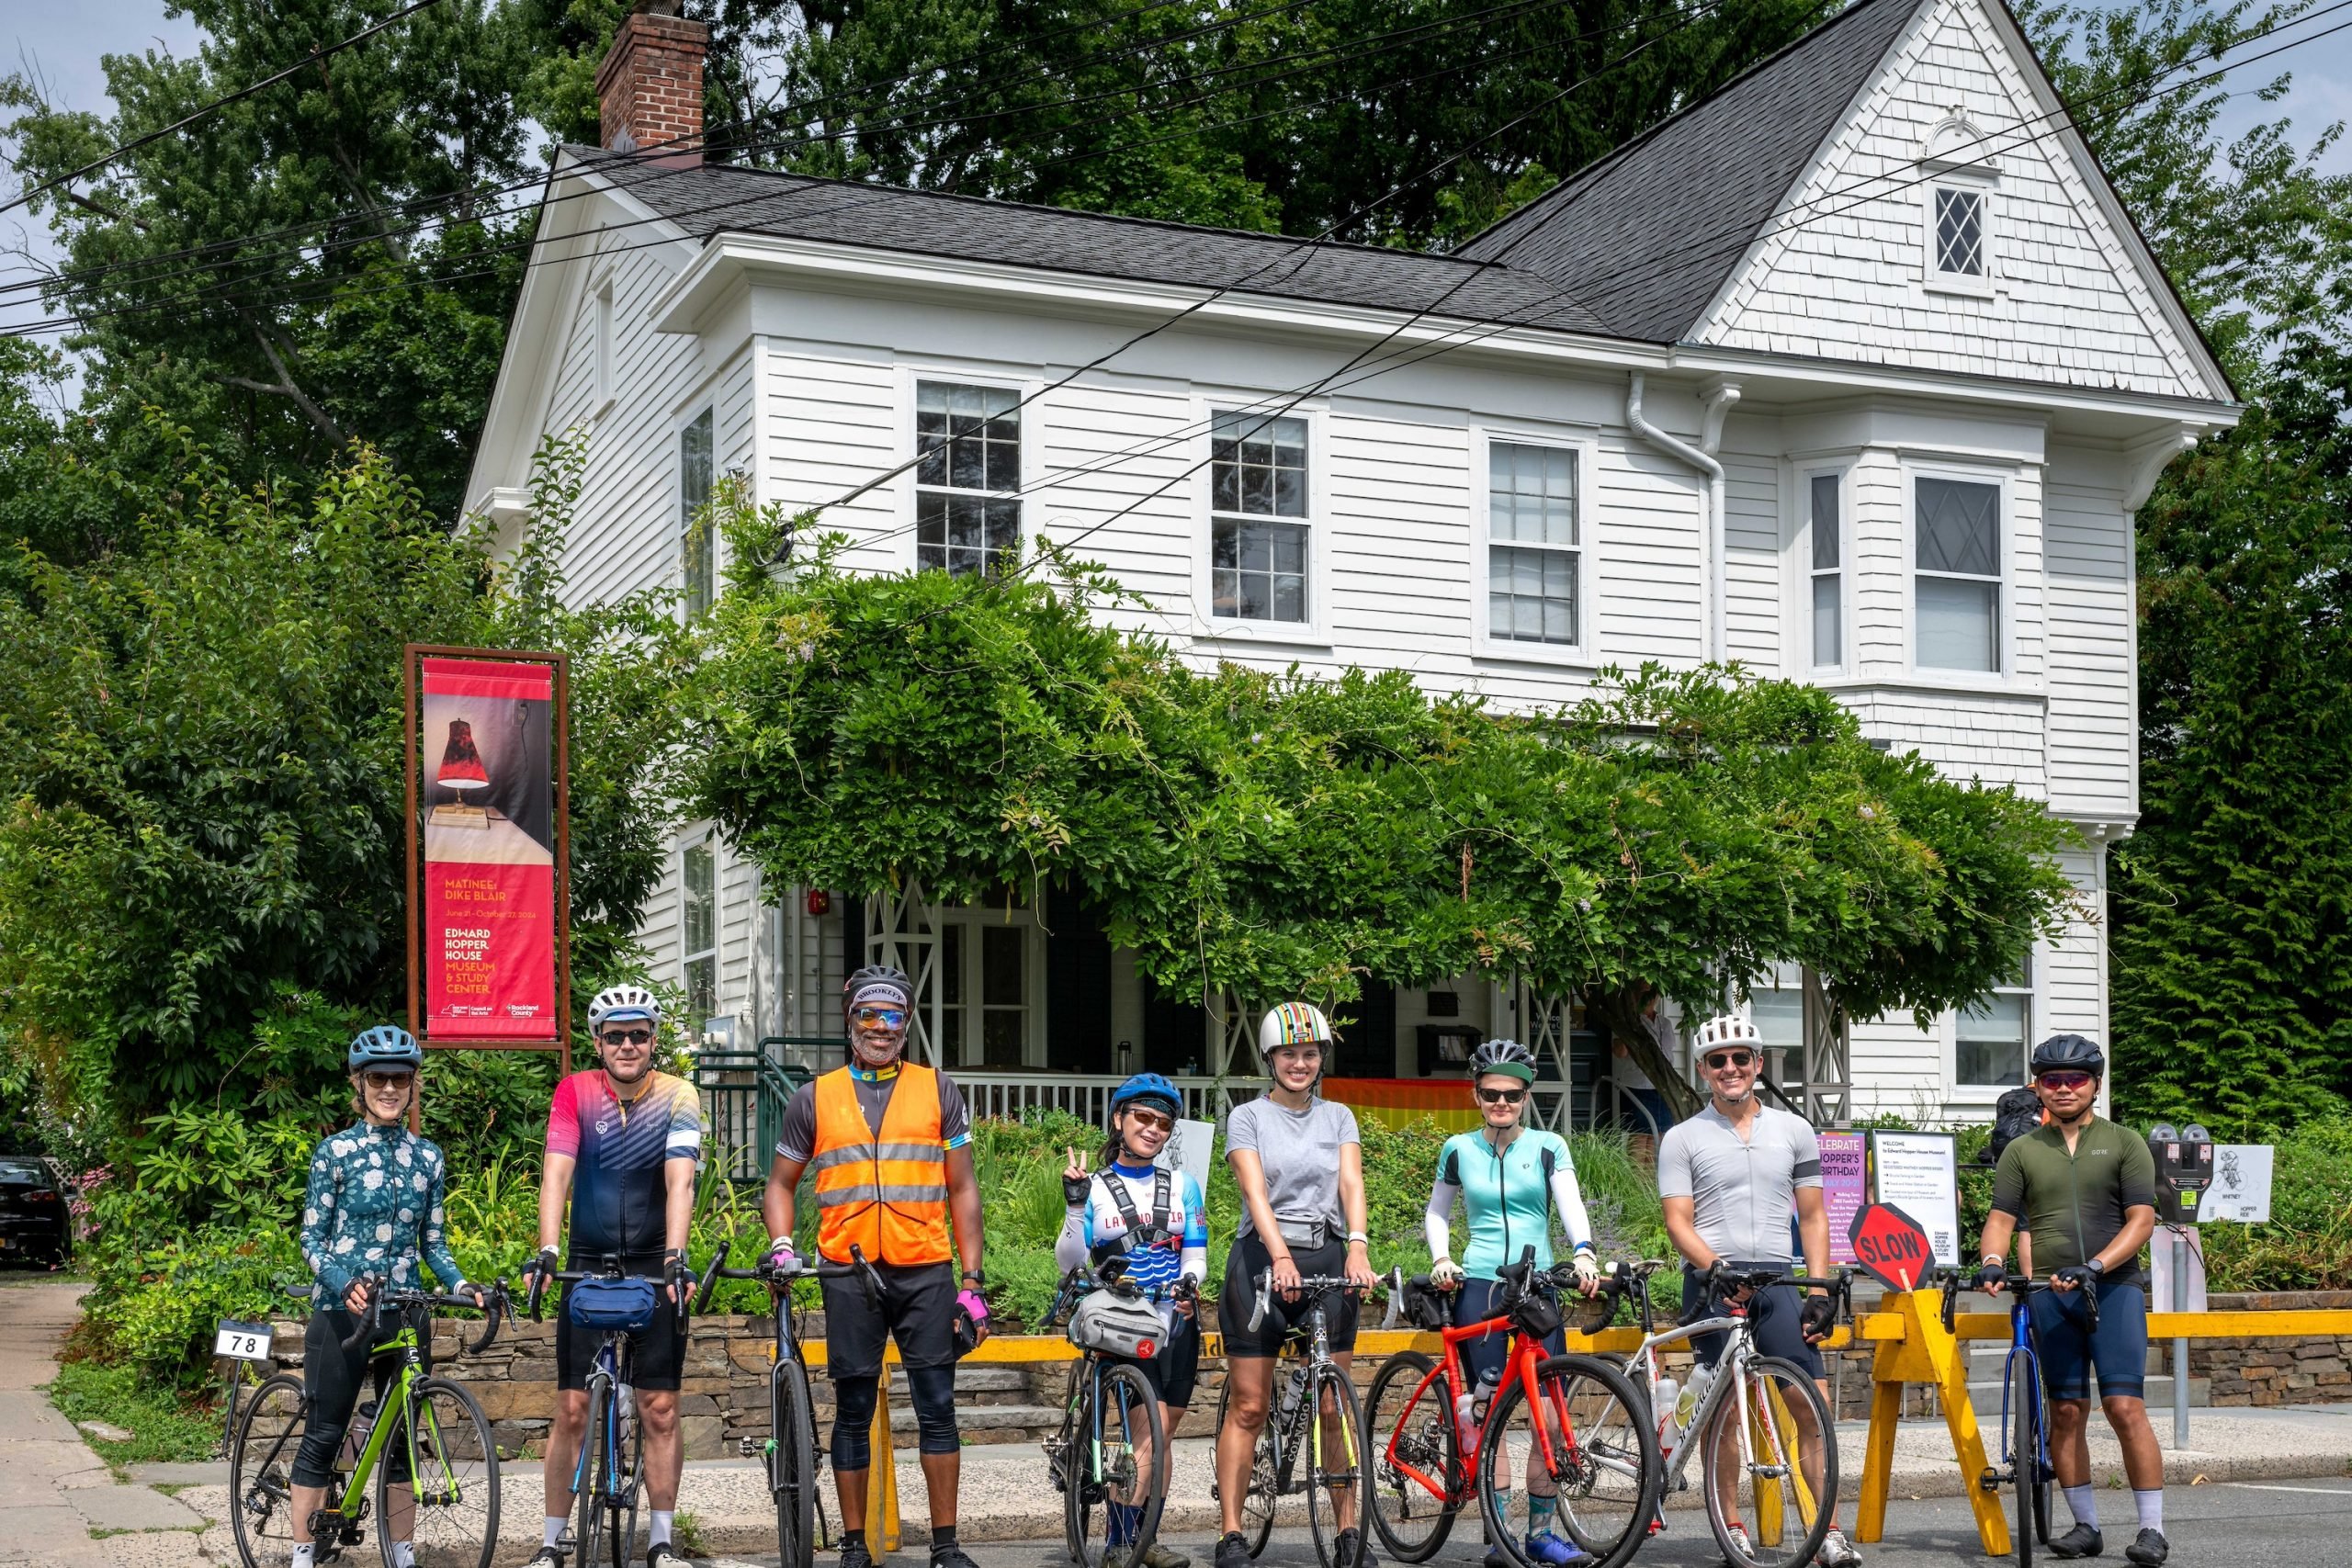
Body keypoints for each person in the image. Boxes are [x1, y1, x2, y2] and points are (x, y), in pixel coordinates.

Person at [760, 965, 989, 1568]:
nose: (880, 1027)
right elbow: (779, 1185)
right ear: (850, 1019)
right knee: (853, 1408)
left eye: (892, 1016)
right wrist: (783, 1243)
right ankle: (853, 1546)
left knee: (937, 1405)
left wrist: (973, 1282)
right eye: (869, 1014)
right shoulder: (814, 1095)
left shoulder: (938, 1088)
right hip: (848, 1268)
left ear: (906, 1023)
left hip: (924, 1269)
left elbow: (963, 1188)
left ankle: (946, 1545)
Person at [1657, 1011, 1855, 1568]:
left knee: (1810, 1406)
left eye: (1741, 1058)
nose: (1730, 1068)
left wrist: (1818, 1287)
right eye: (1717, 1061)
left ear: (1758, 1064)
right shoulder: (1683, 1137)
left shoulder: (1795, 1130)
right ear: (1702, 1070)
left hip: (1775, 1277)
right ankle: (1732, 1527)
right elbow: (1678, 1221)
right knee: (1725, 1417)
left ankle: (1829, 1532)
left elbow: (1813, 1217)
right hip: (1714, 1279)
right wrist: (1716, 1265)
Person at [522, 986, 707, 1568]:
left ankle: (660, 1542)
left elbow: (681, 1181)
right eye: (615, 1036)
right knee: (572, 1408)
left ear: (654, 1040)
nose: (628, 1045)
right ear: (598, 1042)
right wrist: (547, 1250)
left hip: (654, 1263)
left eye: (639, 1035)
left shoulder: (679, 1094)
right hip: (585, 1261)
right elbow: (557, 1176)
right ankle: (552, 1544)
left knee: (659, 1408)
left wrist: (676, 1257)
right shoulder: (574, 1092)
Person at [290, 1026, 482, 1568]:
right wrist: (343, 1283)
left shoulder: (429, 1157)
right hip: (342, 1313)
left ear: (413, 1084)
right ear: (359, 1083)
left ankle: (401, 1554)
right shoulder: (335, 1152)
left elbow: (434, 1243)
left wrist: (460, 1284)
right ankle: (304, 1554)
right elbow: (311, 1238)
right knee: (325, 1433)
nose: (390, 1088)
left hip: (404, 1311)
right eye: (379, 1078)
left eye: (400, 1078)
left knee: (401, 1443)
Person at [1974, 1033, 2166, 1565]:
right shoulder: (2021, 1150)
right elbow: (2001, 1220)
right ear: (2038, 1086)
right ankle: (2086, 1526)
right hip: (2050, 1292)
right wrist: (1993, 1261)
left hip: (2113, 1288)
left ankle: (2152, 1530)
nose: (2063, 1088)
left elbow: (2142, 1220)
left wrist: (2097, 1264)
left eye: (2075, 1079)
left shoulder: (2124, 1142)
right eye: (2052, 1079)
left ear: (2095, 1086)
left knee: (2125, 1408)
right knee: (2065, 1411)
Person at [1214, 1002, 1382, 1568]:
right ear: (1270, 1058)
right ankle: (1232, 1532)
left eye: (1310, 1054)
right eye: (1289, 1054)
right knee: (1250, 1405)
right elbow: (1255, 1193)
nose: (1300, 1063)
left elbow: (1351, 1182)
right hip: (1262, 1257)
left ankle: (1348, 1531)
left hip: (1327, 1251)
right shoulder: (1247, 1117)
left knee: (1332, 1400)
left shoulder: (1338, 1117)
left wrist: (1357, 1244)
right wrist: (1280, 1256)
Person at [1424, 1039, 1602, 1568]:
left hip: (1538, 1284)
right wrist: (1442, 1258)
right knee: (1486, 1413)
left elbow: (1569, 1204)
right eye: (1490, 1094)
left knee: (1548, 1416)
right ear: (1475, 1094)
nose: (1501, 1103)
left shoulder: (1549, 1146)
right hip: (1479, 1285)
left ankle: (1540, 1534)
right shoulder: (1458, 1148)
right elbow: (1438, 1214)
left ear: (1526, 1096)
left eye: (1512, 1095)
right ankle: (1498, 1534)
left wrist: (1586, 1253)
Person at [1057, 1071, 1210, 1568]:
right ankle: (1121, 1544)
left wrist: (1190, 1281)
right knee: (1150, 1430)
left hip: (1176, 1319)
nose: (1153, 1129)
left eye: (1163, 1123)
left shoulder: (1184, 1186)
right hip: (1123, 1319)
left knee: (1162, 1437)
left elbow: (1197, 1251)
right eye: (1143, 1118)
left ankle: (1145, 1537)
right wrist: (1074, 1204)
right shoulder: (1096, 1186)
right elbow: (1068, 1260)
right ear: (1119, 1120)